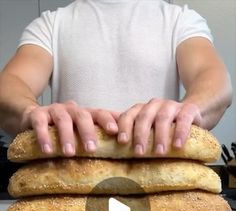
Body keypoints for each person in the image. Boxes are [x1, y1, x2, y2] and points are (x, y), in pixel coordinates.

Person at [0, 0, 232, 157]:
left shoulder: (180, 20)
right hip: (73, 179)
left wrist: (191, 108)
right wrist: (29, 111)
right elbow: (13, 82)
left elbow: (212, 77)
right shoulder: (51, 24)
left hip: (156, 179)